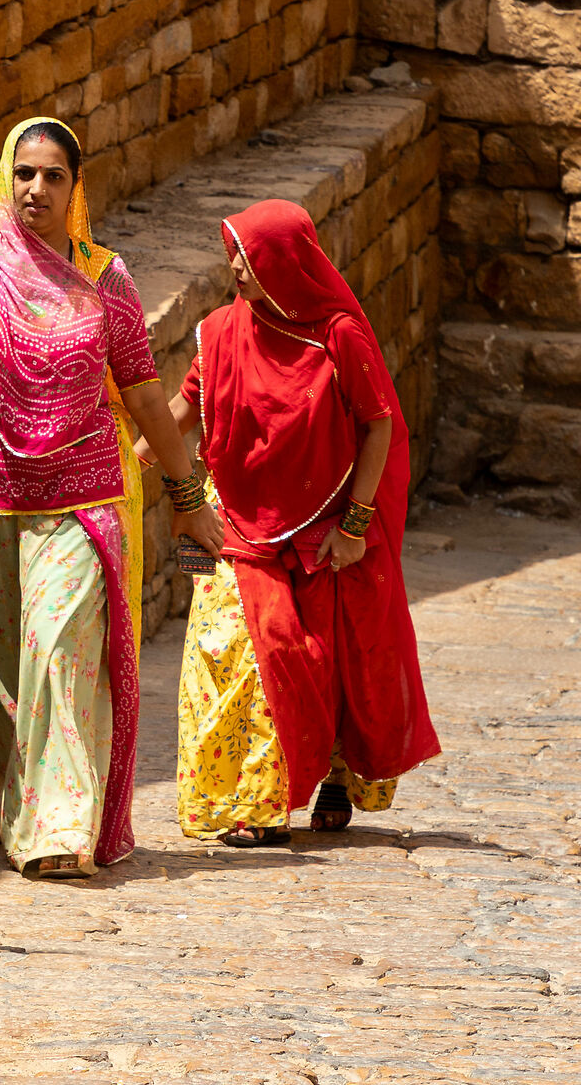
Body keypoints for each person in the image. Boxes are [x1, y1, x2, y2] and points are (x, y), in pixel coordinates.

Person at [0, 116, 222, 879]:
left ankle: (58, 827)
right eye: (24, 174)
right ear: (4, 181)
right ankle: (16, 790)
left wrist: (186, 496)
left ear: (76, 189)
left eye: (53, 176)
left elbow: (148, 400)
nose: (36, 189)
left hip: (83, 502)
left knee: (57, 656)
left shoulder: (104, 277)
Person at [158, 198, 440, 849]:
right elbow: (176, 416)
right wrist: (107, 454)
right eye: (232, 250)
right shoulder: (220, 331)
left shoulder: (337, 334)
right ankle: (252, 802)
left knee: (327, 660)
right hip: (230, 521)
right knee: (238, 653)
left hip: (327, 528)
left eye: (249, 255)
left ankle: (331, 778)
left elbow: (378, 423)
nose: (235, 265)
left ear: (284, 262)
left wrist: (356, 524)